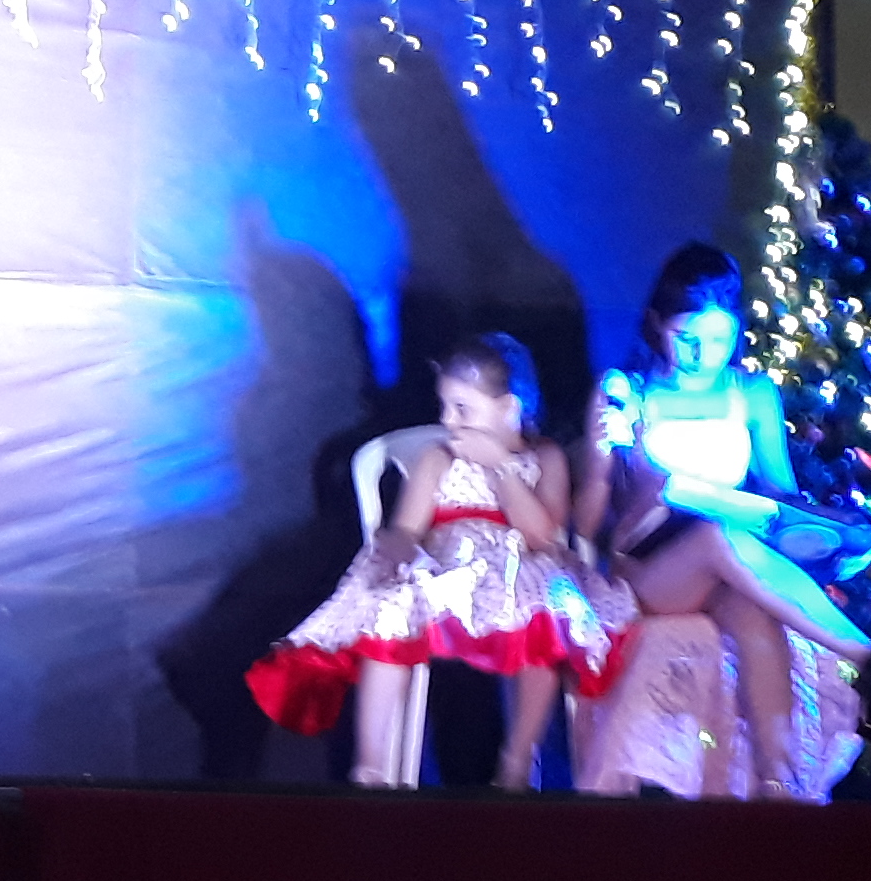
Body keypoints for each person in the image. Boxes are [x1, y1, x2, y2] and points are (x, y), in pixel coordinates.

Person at [247, 332, 630, 790]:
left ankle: (517, 759)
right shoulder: (438, 457)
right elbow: (408, 528)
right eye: (445, 406)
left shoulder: (544, 457)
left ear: (508, 408)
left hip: (519, 573)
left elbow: (542, 535)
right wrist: (395, 551)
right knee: (391, 608)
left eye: (463, 409)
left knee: (549, 611)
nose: (448, 421)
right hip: (448, 575)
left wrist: (500, 468)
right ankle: (370, 765)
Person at [574, 243, 871, 796]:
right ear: (657, 324)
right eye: (686, 337)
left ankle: (777, 782)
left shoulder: (751, 392)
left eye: (718, 340)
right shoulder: (629, 391)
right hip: (649, 571)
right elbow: (588, 523)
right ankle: (863, 653)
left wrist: (828, 527)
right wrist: (602, 454)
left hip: (725, 565)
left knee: (754, 615)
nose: (701, 354)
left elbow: (781, 497)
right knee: (716, 536)